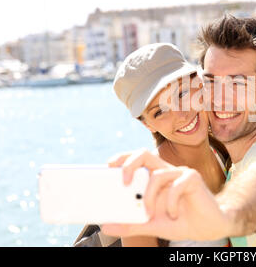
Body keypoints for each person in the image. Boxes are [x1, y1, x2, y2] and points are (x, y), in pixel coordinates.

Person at [102, 15, 256, 246]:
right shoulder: (232, 153)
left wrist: (221, 216)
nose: (221, 100)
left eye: (238, 83)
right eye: (212, 81)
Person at [75, 43, 231, 247]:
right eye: (160, 111)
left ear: (199, 83)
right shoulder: (141, 192)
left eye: (182, 94)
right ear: (147, 124)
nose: (181, 115)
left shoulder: (226, 148)